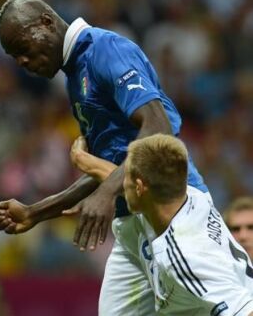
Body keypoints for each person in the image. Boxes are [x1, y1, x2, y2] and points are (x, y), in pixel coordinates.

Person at [0, 0, 209, 315]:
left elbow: (158, 126)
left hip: (173, 214)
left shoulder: (105, 50)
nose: (21, 62)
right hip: (133, 230)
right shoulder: (74, 76)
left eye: (22, 47)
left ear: (47, 22)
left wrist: (107, 191)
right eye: (13, 57)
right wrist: (36, 212)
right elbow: (107, 169)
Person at [73, 134, 253, 314]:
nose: (118, 184)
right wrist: (83, 160)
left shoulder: (187, 257)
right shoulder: (191, 196)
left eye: (125, 179)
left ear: (140, 187)